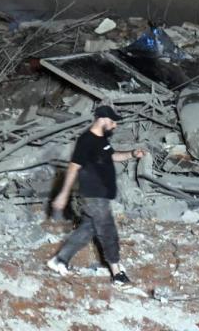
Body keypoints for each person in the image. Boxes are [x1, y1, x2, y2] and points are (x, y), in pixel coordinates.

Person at [47, 105, 146, 285]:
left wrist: (132, 154)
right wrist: (63, 194)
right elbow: (73, 168)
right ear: (102, 119)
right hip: (93, 194)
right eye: (112, 121)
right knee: (108, 230)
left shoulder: (102, 141)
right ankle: (117, 274)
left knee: (88, 229)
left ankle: (59, 260)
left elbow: (113, 156)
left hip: (102, 194)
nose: (115, 125)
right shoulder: (86, 140)